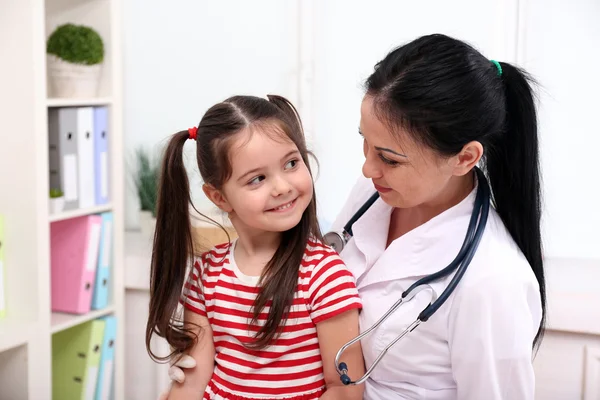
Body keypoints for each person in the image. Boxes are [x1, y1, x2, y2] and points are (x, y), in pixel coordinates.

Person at [162, 33, 546, 399]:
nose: (367, 169)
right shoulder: (376, 194)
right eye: (364, 141)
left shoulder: (494, 282)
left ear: (464, 158)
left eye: (389, 158)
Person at [147, 94, 365, 400]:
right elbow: (192, 383)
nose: (282, 187)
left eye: (291, 163)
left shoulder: (324, 275)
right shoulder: (206, 275)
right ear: (219, 197)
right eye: (257, 179)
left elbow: (345, 388)